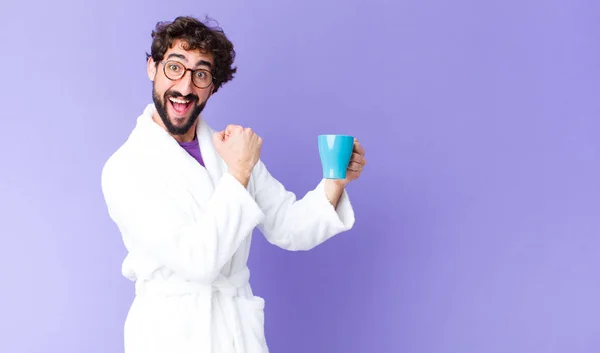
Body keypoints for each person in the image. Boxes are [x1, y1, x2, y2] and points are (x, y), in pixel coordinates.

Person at [100, 15, 366, 353]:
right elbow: (198, 262)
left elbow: (289, 228)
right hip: (169, 335)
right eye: (174, 67)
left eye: (200, 74)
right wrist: (239, 170)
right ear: (152, 67)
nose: (185, 87)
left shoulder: (227, 148)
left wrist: (335, 183)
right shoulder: (126, 167)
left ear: (213, 85)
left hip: (235, 335)